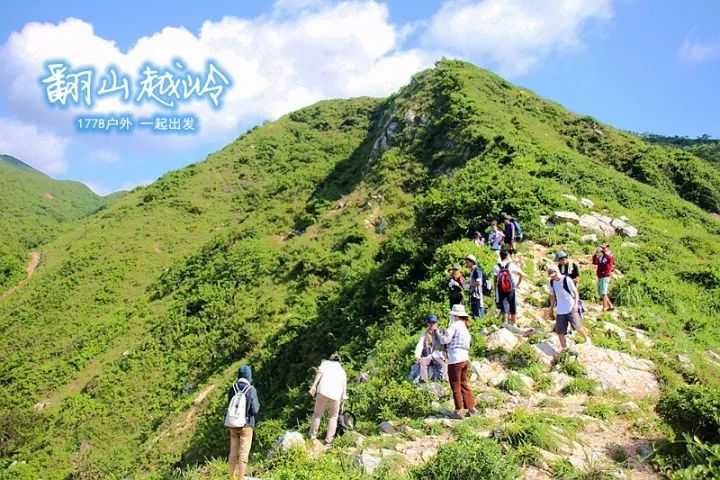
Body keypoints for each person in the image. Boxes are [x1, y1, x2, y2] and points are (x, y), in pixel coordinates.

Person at [433, 304, 477, 419]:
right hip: (465, 358)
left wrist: (438, 333)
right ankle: (471, 407)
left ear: (455, 316)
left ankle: (458, 411)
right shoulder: (465, 328)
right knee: (464, 383)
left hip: (455, 359)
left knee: (455, 385)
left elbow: (444, 340)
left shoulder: (454, 326)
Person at [226, 365, 260, 480]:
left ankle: (231, 477)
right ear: (249, 376)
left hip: (233, 424)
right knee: (243, 456)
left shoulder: (232, 388)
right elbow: (255, 409)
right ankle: (241, 478)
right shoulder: (251, 389)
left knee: (233, 453)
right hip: (246, 425)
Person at [547, 266, 590, 350]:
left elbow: (575, 293)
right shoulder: (552, 283)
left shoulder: (567, 280)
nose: (553, 276)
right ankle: (564, 348)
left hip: (570, 307)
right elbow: (552, 296)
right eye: (551, 275)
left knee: (577, 326)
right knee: (560, 331)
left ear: (557, 272)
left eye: (553, 274)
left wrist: (575, 305)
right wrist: (551, 308)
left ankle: (586, 339)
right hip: (560, 310)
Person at [309, 353, 348, 445]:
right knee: (333, 417)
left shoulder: (325, 363)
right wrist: (342, 401)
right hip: (336, 394)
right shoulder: (342, 371)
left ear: (330, 359)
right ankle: (328, 440)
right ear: (339, 361)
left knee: (317, 414)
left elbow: (319, 373)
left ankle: (312, 436)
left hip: (323, 391)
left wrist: (314, 386)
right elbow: (344, 387)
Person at [414, 314, 448, 382]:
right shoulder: (425, 334)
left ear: (436, 323)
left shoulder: (441, 332)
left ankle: (444, 380)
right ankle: (424, 380)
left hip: (439, 355)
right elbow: (420, 345)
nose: (432, 324)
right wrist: (417, 355)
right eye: (430, 322)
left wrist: (438, 334)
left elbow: (446, 343)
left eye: (433, 322)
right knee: (423, 362)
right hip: (428, 355)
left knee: (443, 365)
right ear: (428, 323)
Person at [493, 251, 524, 325]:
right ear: (507, 256)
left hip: (501, 289)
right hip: (510, 288)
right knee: (513, 305)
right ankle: (514, 324)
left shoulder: (496, 266)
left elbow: (495, 280)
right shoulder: (511, 265)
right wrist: (517, 285)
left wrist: (495, 289)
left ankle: (505, 324)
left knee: (504, 307)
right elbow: (521, 274)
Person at [592, 243, 615, 311]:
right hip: (600, 275)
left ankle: (604, 307)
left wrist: (604, 252)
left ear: (607, 247)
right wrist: (595, 254)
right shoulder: (601, 257)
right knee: (601, 292)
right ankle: (610, 305)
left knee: (603, 292)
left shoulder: (610, 255)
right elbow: (595, 262)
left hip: (605, 275)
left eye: (603, 248)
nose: (602, 249)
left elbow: (610, 259)